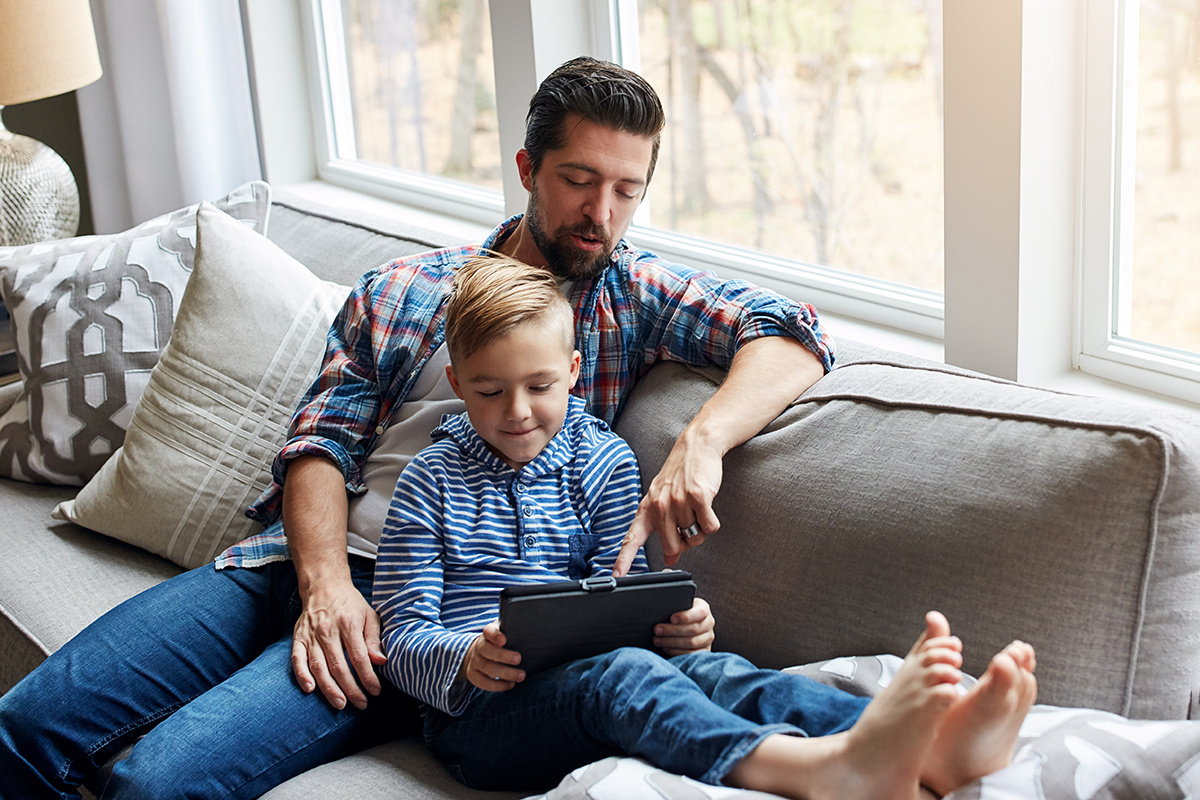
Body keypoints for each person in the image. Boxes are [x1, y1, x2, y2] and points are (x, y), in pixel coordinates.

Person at [0, 57, 833, 798]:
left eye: (626, 190)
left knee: (159, 781)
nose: (601, 214)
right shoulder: (406, 290)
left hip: (426, 609)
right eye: (580, 180)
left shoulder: (631, 297)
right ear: (527, 170)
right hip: (284, 564)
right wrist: (323, 587)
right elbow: (319, 443)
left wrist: (701, 442)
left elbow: (795, 335)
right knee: (25, 726)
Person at [374, 255, 1039, 800]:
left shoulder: (601, 459)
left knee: (720, 671)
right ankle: (813, 771)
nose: (517, 412)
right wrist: (464, 659)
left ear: (573, 373)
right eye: (490, 392)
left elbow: (617, 593)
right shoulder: (429, 482)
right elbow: (401, 636)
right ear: (459, 384)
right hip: (479, 723)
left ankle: (934, 741)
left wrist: (675, 629)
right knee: (620, 678)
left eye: (539, 386)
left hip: (594, 677)